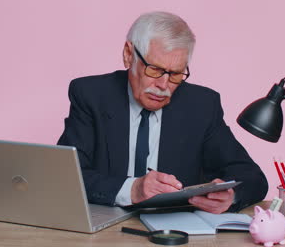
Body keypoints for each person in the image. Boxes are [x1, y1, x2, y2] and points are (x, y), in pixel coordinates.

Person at [58, 11, 268, 213]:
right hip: (106, 228)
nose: (163, 85)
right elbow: (67, 177)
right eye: (155, 70)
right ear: (128, 55)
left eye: (175, 74)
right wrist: (132, 189)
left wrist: (232, 197)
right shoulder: (91, 95)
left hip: (173, 230)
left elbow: (252, 177)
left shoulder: (202, 105)